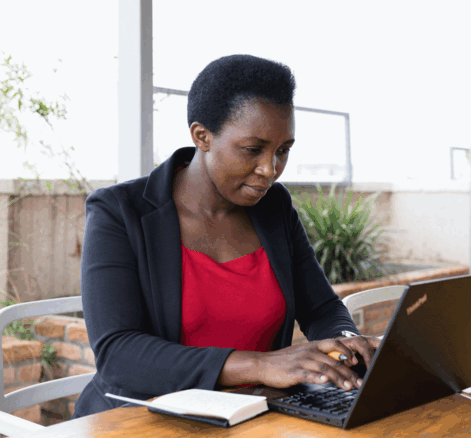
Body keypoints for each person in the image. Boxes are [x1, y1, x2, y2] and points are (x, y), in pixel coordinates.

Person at [74, 55, 380, 418]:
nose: (270, 170)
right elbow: (118, 354)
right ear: (202, 136)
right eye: (253, 150)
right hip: (141, 422)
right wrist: (261, 365)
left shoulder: (274, 208)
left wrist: (347, 344)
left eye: (283, 151)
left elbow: (320, 307)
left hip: (251, 419)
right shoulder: (121, 212)